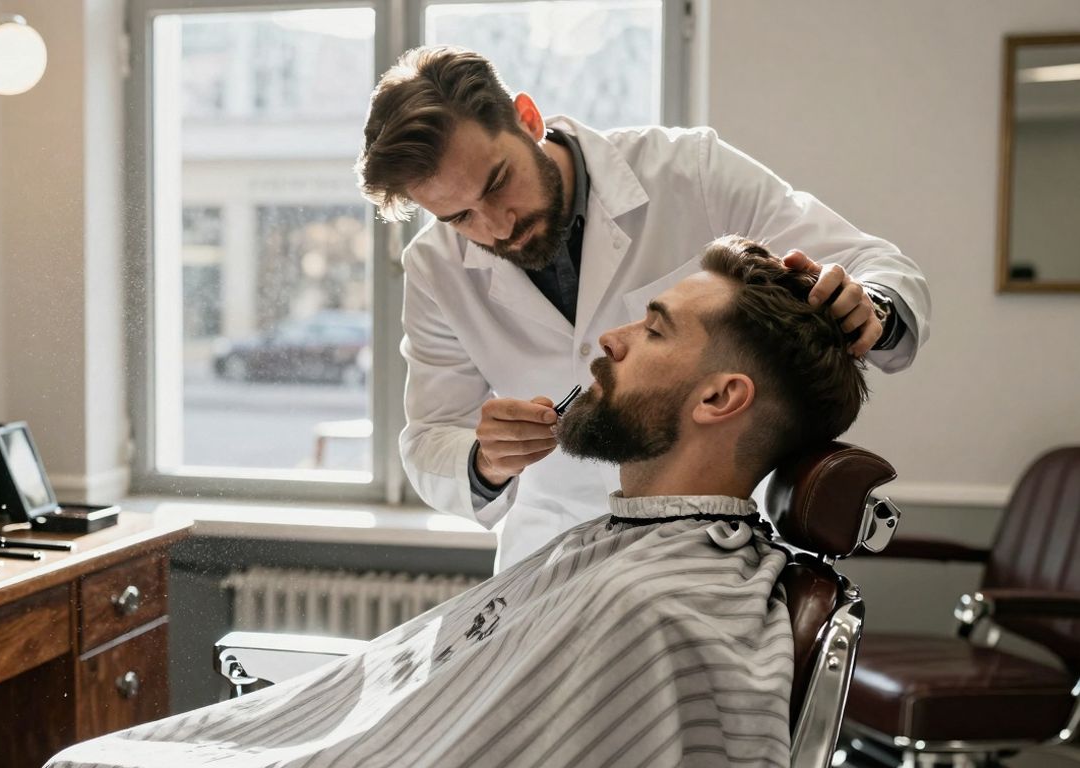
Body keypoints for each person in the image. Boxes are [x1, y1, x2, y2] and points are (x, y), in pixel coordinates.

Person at [45, 237, 867, 768]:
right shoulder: (631, 561)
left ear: (721, 397)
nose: (606, 342)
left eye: (652, 330)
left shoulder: (653, 605)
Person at [356, 46, 928, 570]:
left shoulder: (689, 171)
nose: (497, 226)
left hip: (702, 551)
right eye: (457, 217)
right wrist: (486, 460)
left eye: (498, 182)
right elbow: (430, 437)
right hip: (548, 556)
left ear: (527, 119)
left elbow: (875, 262)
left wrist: (868, 305)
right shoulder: (434, 268)